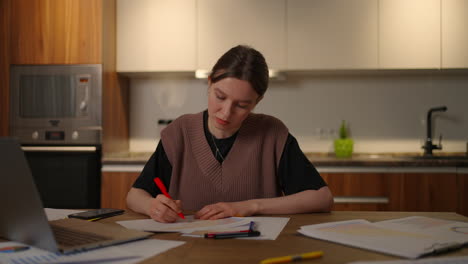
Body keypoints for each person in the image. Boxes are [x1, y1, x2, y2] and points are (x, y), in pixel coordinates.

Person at [126, 45, 333, 223]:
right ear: (209, 83)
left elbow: (322, 198)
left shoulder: (272, 134)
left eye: (242, 105)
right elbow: (135, 196)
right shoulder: (180, 132)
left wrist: (250, 207)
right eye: (220, 96)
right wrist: (153, 206)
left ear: (257, 101)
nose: (226, 113)